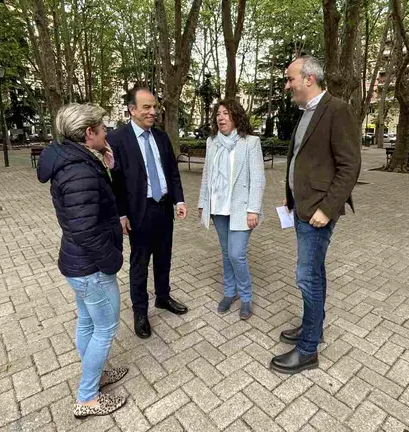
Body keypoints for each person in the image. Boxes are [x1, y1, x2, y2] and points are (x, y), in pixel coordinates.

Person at [270, 56, 361, 374]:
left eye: (290, 78)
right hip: (303, 207)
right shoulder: (307, 112)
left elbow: (350, 165)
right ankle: (314, 328)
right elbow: (304, 158)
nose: (287, 85)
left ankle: (308, 350)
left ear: (309, 78)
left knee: (306, 276)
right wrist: (292, 193)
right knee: (315, 274)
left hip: (318, 213)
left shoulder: (337, 109)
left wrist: (327, 208)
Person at [36, 104, 127, 417]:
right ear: (89, 133)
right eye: (102, 128)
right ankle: (87, 397)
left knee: (88, 322)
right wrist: (111, 260)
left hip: (79, 264)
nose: (106, 132)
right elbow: (85, 228)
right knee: (105, 328)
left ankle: (96, 375)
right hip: (91, 268)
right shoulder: (79, 171)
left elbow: (96, 206)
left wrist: (108, 167)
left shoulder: (76, 160)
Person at [108, 88, 188, 339]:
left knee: (164, 258)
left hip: (164, 209)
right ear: (132, 110)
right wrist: (121, 214)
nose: (153, 112)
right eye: (147, 107)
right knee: (140, 264)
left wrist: (179, 200)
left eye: (154, 107)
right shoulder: (117, 139)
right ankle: (140, 311)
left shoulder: (162, 138)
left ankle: (163, 298)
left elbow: (172, 173)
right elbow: (115, 182)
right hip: (138, 212)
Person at [197, 99, 266, 320]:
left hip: (242, 209)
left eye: (226, 113)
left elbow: (258, 178)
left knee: (237, 254)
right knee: (227, 254)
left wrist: (253, 209)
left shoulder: (250, 142)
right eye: (218, 114)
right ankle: (229, 292)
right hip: (218, 208)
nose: (221, 117)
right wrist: (203, 204)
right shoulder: (212, 142)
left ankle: (245, 296)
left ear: (235, 116)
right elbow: (207, 175)